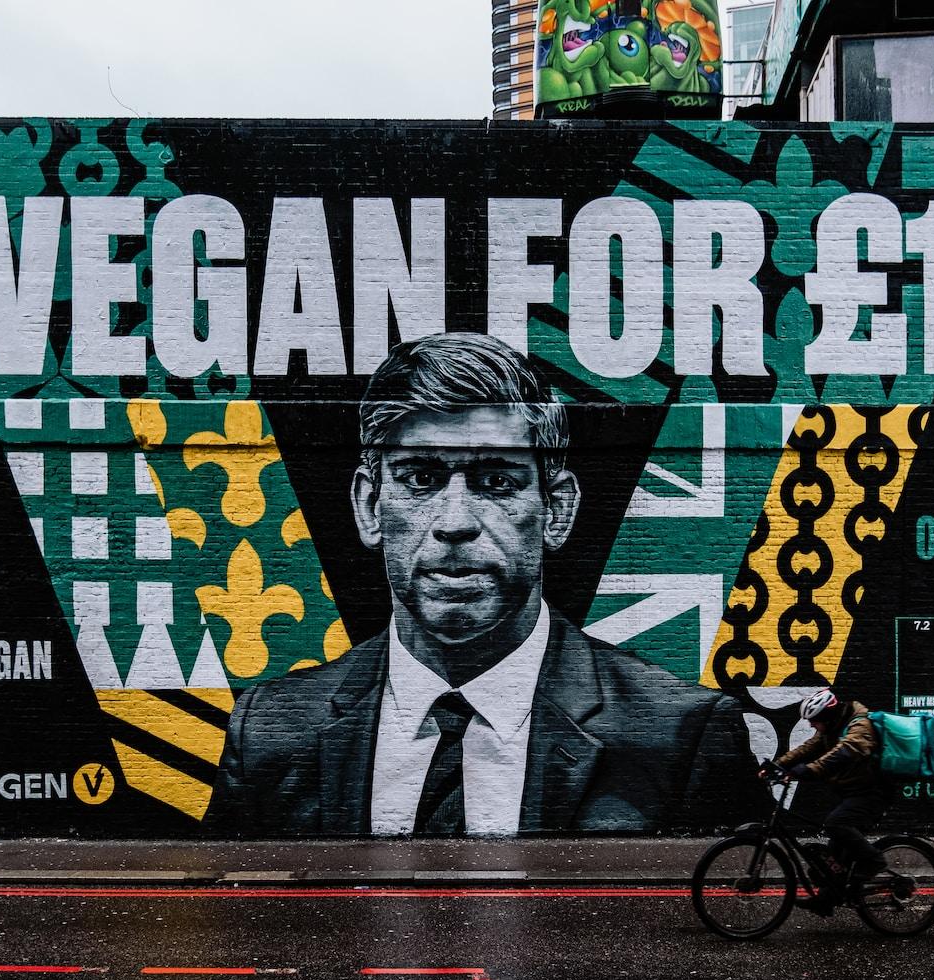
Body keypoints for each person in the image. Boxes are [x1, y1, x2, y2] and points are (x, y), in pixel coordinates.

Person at [205, 331, 749, 836]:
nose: (455, 521)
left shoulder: (681, 734)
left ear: (555, 511)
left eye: (496, 481)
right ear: (371, 507)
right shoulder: (271, 732)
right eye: (421, 478)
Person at [766, 688, 896, 883]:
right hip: (852, 792)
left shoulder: (861, 726)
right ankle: (825, 901)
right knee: (833, 865)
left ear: (826, 716)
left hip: (873, 793)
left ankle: (874, 861)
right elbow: (808, 748)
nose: (811, 725)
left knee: (835, 824)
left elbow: (843, 753)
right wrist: (778, 764)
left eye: (814, 720)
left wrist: (809, 770)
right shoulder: (833, 725)